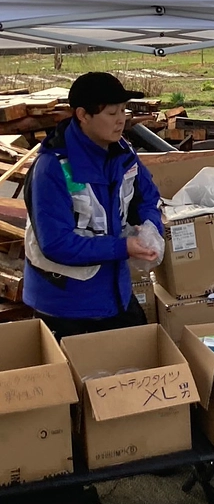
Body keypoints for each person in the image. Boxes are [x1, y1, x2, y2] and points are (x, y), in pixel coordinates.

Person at [24, 72, 164, 340]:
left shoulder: (123, 153)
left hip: (116, 295)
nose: (121, 119)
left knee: (134, 371)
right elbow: (56, 243)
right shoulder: (52, 168)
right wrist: (122, 247)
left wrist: (150, 228)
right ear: (82, 115)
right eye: (111, 113)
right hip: (65, 304)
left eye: (124, 110)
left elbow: (147, 196)